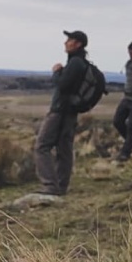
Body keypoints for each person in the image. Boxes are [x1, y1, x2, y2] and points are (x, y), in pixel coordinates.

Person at [34, 30, 89, 197]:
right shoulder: (81, 63)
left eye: (70, 40)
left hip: (60, 111)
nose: (66, 43)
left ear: (78, 43)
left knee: (42, 146)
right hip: (70, 113)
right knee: (64, 149)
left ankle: (51, 186)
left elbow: (62, 85)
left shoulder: (75, 63)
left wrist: (57, 72)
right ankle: (60, 187)